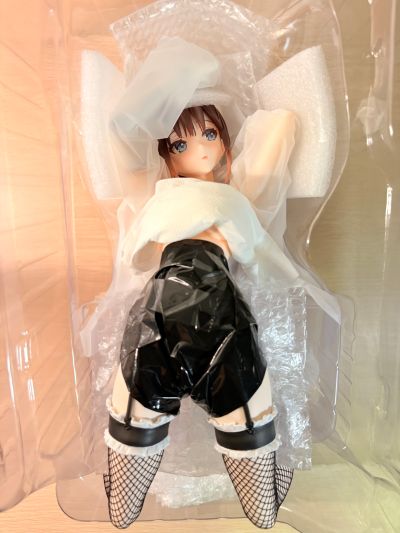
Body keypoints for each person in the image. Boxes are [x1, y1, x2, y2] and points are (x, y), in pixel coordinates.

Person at [104, 102, 295, 529]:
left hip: (196, 321)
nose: (199, 148)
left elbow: (280, 129)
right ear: (167, 156)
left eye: (210, 134)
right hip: (179, 320)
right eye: (180, 143)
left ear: (225, 144)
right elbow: (118, 130)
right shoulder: (157, 195)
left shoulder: (235, 196)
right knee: (122, 509)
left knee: (263, 510)